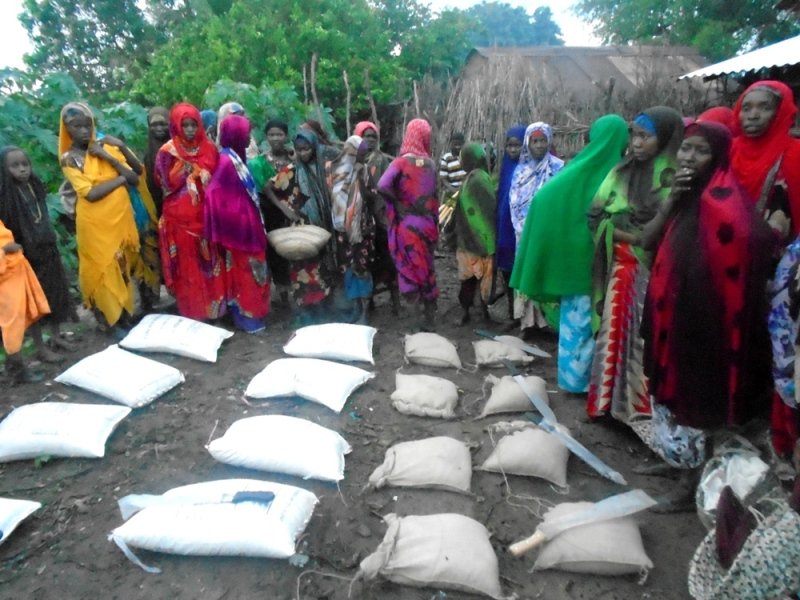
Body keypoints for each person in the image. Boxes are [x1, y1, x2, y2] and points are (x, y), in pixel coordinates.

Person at [639, 121, 774, 510]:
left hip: (702, 321)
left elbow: (753, 240)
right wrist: (670, 204)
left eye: (701, 151)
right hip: (669, 311)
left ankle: (689, 483)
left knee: (692, 398)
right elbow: (649, 240)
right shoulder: (681, 197)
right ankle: (673, 460)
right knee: (666, 392)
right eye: (686, 149)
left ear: (717, 157)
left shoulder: (725, 200)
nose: (689, 158)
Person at [510, 115, 630, 393]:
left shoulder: (575, 169)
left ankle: (573, 381)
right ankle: (590, 385)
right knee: (594, 324)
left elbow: (543, 200)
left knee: (575, 323)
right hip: (598, 262)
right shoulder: (615, 173)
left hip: (572, 262)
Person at [586, 106, 684, 424]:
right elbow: (595, 214)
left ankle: (639, 414)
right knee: (612, 335)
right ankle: (605, 406)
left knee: (643, 340)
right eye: (634, 135)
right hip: (620, 269)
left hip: (653, 274)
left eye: (645, 136)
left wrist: (620, 231)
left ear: (666, 138)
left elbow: (669, 234)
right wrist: (621, 232)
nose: (637, 143)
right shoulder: (621, 172)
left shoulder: (674, 180)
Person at [59, 102, 142, 334]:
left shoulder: (104, 149)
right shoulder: (69, 159)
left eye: (88, 125)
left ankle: (125, 316)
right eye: (77, 127)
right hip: (95, 226)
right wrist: (119, 179)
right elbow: (90, 194)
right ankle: (111, 321)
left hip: (120, 222)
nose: (84, 131)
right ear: (67, 129)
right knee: (104, 271)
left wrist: (109, 155)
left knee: (122, 267)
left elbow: (135, 176)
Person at [0, 146, 77, 363]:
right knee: (33, 303)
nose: (22, 170)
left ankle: (55, 335)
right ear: (4, 170)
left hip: (46, 248)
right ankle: (40, 346)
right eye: (15, 166)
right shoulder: (5, 197)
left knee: (56, 292)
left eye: (25, 164)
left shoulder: (34, 186)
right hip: (25, 257)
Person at [155, 102, 225, 321]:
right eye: (184, 125)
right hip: (180, 220)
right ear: (176, 126)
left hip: (207, 217)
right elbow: (163, 183)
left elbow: (218, 179)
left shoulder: (209, 148)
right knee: (187, 269)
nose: (189, 130)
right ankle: (193, 313)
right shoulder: (167, 152)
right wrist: (185, 170)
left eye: (193, 125)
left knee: (211, 264)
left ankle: (216, 311)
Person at [204, 115, 269, 333]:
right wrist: (237, 217)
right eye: (246, 132)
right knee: (247, 274)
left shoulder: (235, 157)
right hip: (239, 232)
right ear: (236, 135)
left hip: (247, 227)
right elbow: (214, 194)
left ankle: (252, 316)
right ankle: (249, 319)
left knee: (253, 271)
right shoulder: (225, 162)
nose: (250, 136)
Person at [264, 129, 335, 325]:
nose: (303, 153)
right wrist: (285, 210)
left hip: (321, 226)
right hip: (301, 228)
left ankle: (322, 309)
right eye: (299, 149)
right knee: (301, 269)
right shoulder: (291, 171)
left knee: (322, 269)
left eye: (306, 149)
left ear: (314, 148)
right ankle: (305, 312)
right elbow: (268, 187)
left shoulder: (323, 169)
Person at [377, 118, 439, 331]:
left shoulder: (400, 163)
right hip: (428, 225)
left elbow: (382, 185)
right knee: (427, 268)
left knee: (409, 270)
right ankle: (430, 318)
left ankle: (415, 322)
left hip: (408, 226)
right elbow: (435, 197)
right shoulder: (430, 164)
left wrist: (396, 203)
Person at [508, 122, 565, 333]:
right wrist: (524, 228)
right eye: (535, 141)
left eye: (542, 141)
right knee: (527, 273)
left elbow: (561, 202)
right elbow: (514, 203)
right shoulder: (520, 172)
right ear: (528, 143)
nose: (539, 146)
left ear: (549, 141)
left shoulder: (559, 168)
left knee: (546, 273)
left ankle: (550, 324)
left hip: (549, 234)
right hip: (524, 234)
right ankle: (528, 323)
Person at [731, 81, 800, 242]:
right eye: (746, 108)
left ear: (780, 112)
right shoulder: (728, 150)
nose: (753, 115)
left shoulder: (795, 154)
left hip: (780, 255)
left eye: (765, 108)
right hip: (729, 248)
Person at [326, 135, 375, 323]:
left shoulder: (363, 171)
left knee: (362, 267)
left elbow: (370, 197)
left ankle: (364, 311)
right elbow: (332, 197)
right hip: (341, 229)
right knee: (347, 268)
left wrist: (361, 177)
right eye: (361, 154)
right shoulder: (334, 170)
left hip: (361, 229)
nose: (364, 158)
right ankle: (355, 307)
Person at [354, 121, 398, 314]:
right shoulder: (354, 161)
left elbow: (388, 187)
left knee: (387, 258)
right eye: (366, 136)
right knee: (367, 261)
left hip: (380, 216)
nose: (370, 140)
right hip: (360, 218)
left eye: (373, 137)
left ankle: (394, 300)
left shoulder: (381, 160)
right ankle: (368, 301)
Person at [249, 118, 293, 307]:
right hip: (270, 213)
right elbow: (263, 190)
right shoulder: (258, 163)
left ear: (286, 136)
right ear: (266, 137)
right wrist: (281, 207)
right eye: (272, 135)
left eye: (279, 134)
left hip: (294, 211)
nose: (276, 138)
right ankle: (281, 294)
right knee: (275, 253)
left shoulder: (293, 158)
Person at [0, 220, 51, 383]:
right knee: (11, 323)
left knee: (14, 319)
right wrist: (10, 247)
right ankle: (18, 370)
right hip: (5, 276)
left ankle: (13, 366)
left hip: (13, 270)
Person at [454, 142, 496, 324]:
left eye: (462, 158)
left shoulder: (476, 180)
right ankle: (481, 312)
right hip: (481, 238)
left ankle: (469, 312)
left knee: (469, 279)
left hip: (472, 239)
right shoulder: (478, 177)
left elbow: (485, 208)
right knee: (481, 278)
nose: (460, 161)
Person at [493, 125, 526, 322]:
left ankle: (523, 315)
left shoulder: (528, 169)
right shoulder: (505, 167)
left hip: (520, 230)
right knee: (507, 271)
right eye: (509, 145)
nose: (513, 150)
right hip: (504, 228)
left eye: (517, 145)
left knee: (521, 271)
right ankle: (513, 313)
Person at [143, 107, 170, 218]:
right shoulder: (148, 152)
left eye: (163, 124)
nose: (159, 128)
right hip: (156, 200)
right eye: (154, 125)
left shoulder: (178, 147)